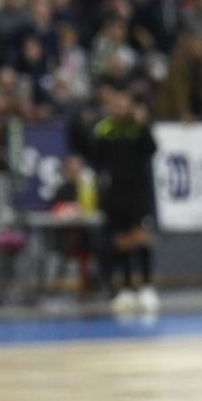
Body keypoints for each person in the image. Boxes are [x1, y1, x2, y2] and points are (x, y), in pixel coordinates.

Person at [87, 80, 159, 313]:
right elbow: (96, 159)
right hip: (115, 193)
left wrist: (143, 125)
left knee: (141, 237)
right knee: (122, 241)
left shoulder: (138, 128)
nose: (119, 108)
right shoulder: (104, 129)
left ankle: (147, 285)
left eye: (123, 104)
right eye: (115, 104)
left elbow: (151, 150)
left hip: (138, 191)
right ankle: (127, 287)